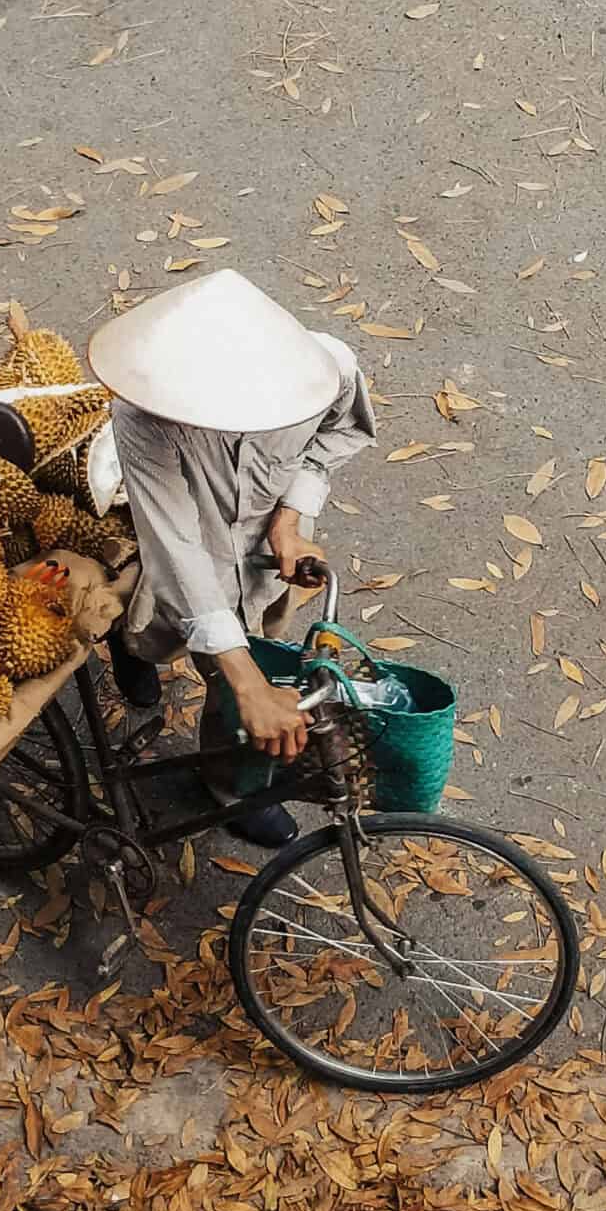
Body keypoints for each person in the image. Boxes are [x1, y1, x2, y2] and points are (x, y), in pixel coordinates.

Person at [87, 268, 376, 848]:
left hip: (266, 553)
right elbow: (176, 546)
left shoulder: (328, 370)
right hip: (194, 543)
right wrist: (247, 683)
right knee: (212, 656)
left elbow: (336, 436)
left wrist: (290, 517)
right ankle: (129, 645)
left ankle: (227, 788)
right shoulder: (144, 417)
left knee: (254, 664)